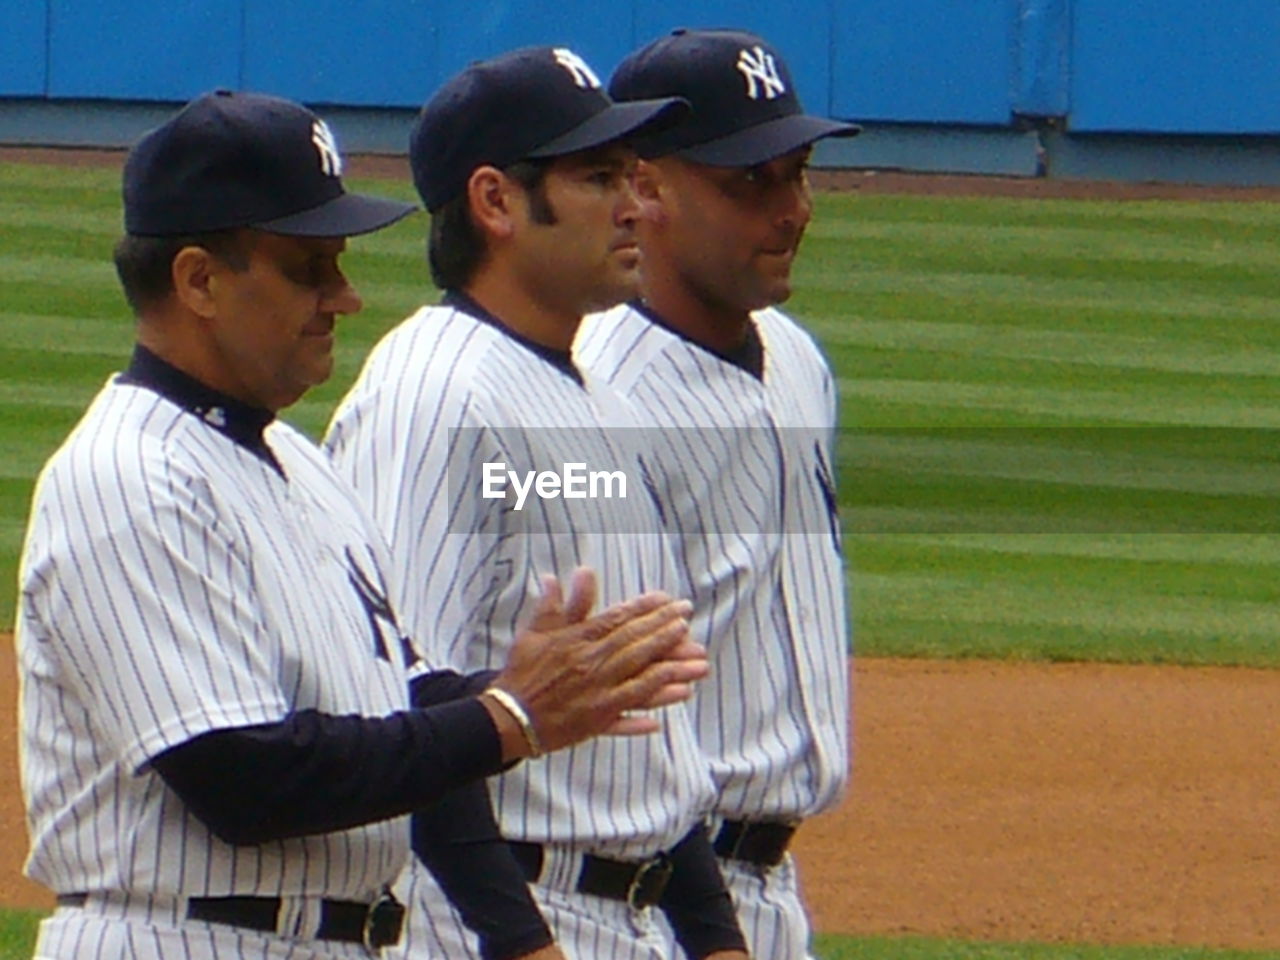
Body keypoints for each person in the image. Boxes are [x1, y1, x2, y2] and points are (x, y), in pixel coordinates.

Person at [15, 89, 708, 960]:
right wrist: (507, 716)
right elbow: (243, 777)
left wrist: (555, 683)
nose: (343, 298)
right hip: (177, 936)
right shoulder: (128, 478)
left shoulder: (299, 465)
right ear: (198, 280)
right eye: (310, 268)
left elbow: (398, 702)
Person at [324, 47, 748, 960]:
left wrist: (716, 938)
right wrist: (521, 942)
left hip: (625, 915)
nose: (637, 205)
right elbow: (404, 709)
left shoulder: (586, 390)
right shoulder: (434, 393)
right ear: (496, 202)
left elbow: (651, 728)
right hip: (491, 919)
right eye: (600, 178)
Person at [575, 28, 859, 959]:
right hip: (653, 898)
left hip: (774, 894)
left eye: (798, 172)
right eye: (752, 184)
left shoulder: (797, 361)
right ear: (644, 186)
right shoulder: (597, 399)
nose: (793, 211)